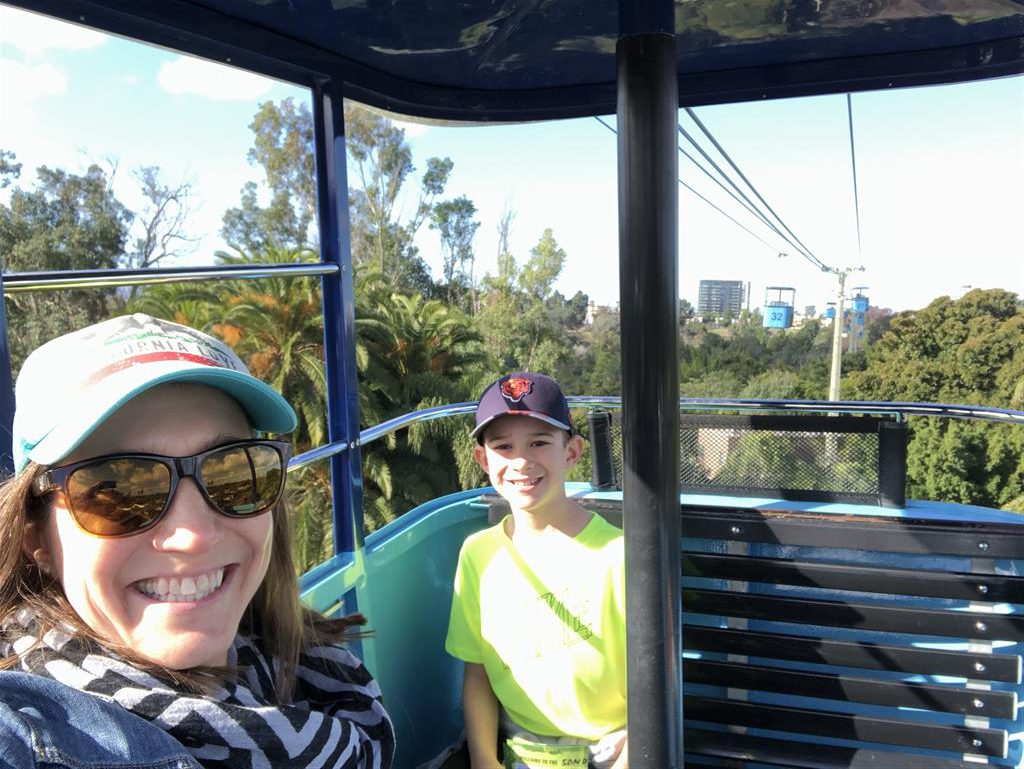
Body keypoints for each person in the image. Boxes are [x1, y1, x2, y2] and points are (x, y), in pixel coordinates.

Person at [0, 313, 395, 769]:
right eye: (119, 492)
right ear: (37, 540)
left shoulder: (316, 671)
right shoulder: (29, 732)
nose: (194, 536)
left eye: (234, 472)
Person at [445, 373, 627, 769]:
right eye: (503, 447)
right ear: (483, 460)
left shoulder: (618, 555)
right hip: (517, 747)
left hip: (610, 751)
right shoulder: (478, 554)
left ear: (572, 452)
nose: (521, 461)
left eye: (539, 443)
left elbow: (654, 683)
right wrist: (483, 758)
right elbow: (478, 671)